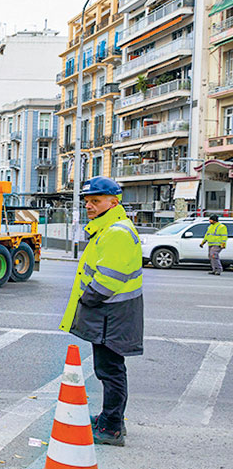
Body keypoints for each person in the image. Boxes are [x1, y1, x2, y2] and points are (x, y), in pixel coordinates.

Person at [59, 176, 143, 447]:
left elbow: (108, 279)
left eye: (95, 201)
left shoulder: (116, 231)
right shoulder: (109, 228)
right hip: (113, 313)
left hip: (111, 314)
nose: (89, 206)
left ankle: (112, 428)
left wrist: (88, 299)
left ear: (113, 201)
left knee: (110, 371)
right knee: (109, 370)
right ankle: (111, 417)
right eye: (87, 201)